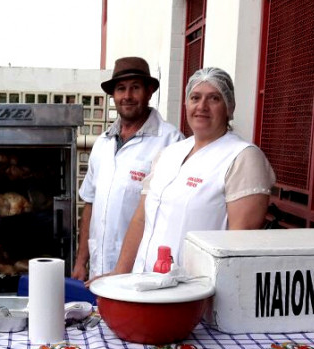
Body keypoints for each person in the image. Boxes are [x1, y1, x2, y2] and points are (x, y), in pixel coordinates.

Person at [113, 67, 275, 273]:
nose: (202, 106)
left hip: (195, 294)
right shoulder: (169, 153)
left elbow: (239, 247)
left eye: (214, 98)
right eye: (195, 97)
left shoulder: (242, 157)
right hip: (145, 286)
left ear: (229, 107)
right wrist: (118, 275)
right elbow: (141, 219)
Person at [72, 57, 183, 281]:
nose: (127, 96)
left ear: (149, 91)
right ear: (113, 95)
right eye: (121, 89)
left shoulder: (171, 142)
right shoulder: (103, 144)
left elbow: (174, 215)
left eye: (135, 88)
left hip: (140, 274)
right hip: (98, 270)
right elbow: (90, 205)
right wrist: (80, 261)